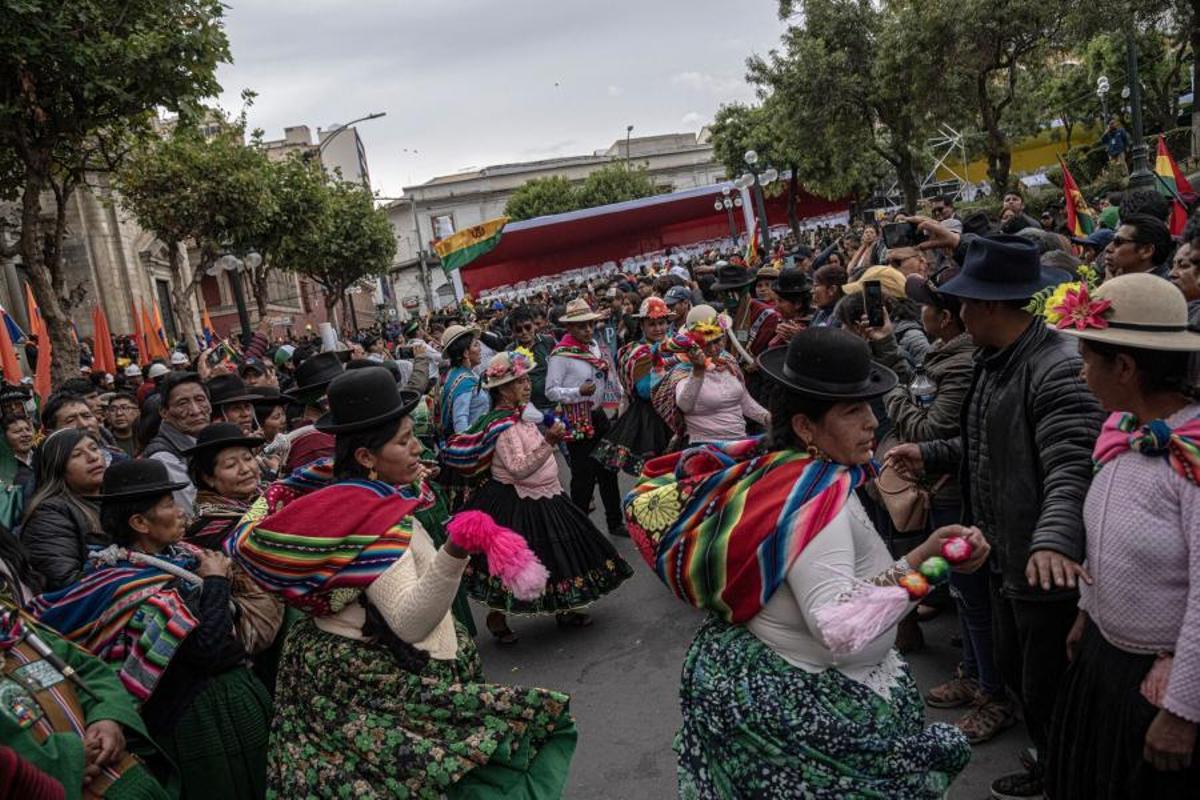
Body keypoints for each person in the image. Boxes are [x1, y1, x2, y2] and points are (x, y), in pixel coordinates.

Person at [624, 327, 988, 798]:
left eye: (869, 406)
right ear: (805, 427)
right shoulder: (816, 505)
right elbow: (841, 627)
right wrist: (935, 565)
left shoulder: (785, 472)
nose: (872, 422)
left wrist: (926, 554)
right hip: (816, 704)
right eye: (853, 410)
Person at [228, 367, 578, 797]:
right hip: (379, 678)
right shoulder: (372, 520)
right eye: (403, 441)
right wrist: (457, 548)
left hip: (329, 671)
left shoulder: (332, 493)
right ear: (366, 458)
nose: (417, 448)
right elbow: (409, 622)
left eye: (414, 435)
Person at [887, 234, 1105, 799]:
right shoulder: (996, 361)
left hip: (1044, 571)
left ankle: (1064, 775)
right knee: (1020, 675)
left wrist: (1053, 542)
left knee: (1048, 689)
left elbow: (1069, 469)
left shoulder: (1053, 367)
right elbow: (984, 442)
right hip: (1009, 557)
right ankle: (1049, 760)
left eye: (962, 301)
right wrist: (931, 452)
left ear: (987, 305)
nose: (955, 311)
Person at [1043, 273, 1200, 799]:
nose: (1082, 374)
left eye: (1088, 359)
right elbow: (1104, 536)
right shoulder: (1123, 436)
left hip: (1164, 678)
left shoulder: (1190, 460)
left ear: (1126, 368)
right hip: (1104, 661)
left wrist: (1183, 709)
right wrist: (1087, 612)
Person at [32, 459, 273, 800]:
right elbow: (211, 650)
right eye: (167, 505)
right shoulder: (133, 586)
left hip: (230, 714)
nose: (179, 512)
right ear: (140, 522)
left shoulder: (185, 558)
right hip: (200, 728)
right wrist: (217, 584)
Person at [871, 273, 1016, 741]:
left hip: (954, 495)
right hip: (940, 489)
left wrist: (892, 394)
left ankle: (992, 690)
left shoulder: (961, 364)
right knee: (958, 590)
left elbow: (929, 430)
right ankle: (973, 672)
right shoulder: (945, 356)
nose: (920, 314)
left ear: (947, 317)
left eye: (927, 307)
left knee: (971, 597)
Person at [463, 352, 633, 642]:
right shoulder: (501, 426)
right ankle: (497, 617)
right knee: (516, 564)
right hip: (516, 500)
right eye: (520, 381)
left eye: (528, 379)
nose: (528, 385)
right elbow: (518, 469)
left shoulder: (524, 413)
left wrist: (553, 432)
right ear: (503, 389)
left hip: (548, 492)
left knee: (559, 554)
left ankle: (564, 608)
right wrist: (549, 442)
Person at [0, 594, 173, 799]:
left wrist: (108, 716)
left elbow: (89, 670)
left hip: (129, 782)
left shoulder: (14, 628)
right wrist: (66, 761)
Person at [545, 298, 625, 536]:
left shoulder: (595, 346)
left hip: (599, 415)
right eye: (581, 326)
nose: (587, 329)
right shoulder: (561, 354)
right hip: (577, 417)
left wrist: (618, 397)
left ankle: (615, 521)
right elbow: (551, 391)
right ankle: (579, 530)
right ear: (569, 328)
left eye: (589, 324)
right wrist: (577, 392)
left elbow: (608, 373)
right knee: (583, 477)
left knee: (609, 471)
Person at [592, 297, 675, 476]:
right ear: (642, 325)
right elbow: (645, 391)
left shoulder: (675, 346)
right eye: (652, 324)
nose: (659, 328)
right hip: (651, 419)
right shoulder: (639, 353)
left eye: (662, 323)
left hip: (675, 413)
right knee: (657, 475)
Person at [666, 305, 768, 446]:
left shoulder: (729, 362)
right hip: (703, 446)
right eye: (706, 344)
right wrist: (698, 370)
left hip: (740, 442)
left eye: (717, 341)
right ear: (693, 344)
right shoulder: (683, 369)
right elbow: (684, 405)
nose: (713, 349)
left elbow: (745, 402)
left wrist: (770, 419)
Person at [20, 429, 107, 591]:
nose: (93, 457)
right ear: (57, 467)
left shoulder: (115, 498)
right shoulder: (48, 515)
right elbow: (64, 583)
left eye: (94, 448)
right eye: (77, 455)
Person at [184, 422, 265, 550]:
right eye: (231, 465)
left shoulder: (270, 495)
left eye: (248, 458)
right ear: (209, 478)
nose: (245, 469)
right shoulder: (211, 530)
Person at [142, 372, 211, 515]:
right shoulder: (163, 458)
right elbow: (196, 513)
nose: (196, 410)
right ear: (164, 412)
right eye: (182, 403)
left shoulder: (205, 442)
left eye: (200, 399)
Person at [709, 262, 779, 400]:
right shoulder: (724, 316)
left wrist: (756, 362)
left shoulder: (767, 316)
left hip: (757, 385)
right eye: (723, 292)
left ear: (744, 290)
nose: (725, 297)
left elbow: (771, 355)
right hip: (730, 381)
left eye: (731, 292)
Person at [437, 324, 490, 439]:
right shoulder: (464, 382)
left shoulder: (456, 373)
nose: (480, 349)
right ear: (465, 353)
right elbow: (460, 424)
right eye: (476, 345)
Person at [507, 306, 557, 411]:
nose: (524, 332)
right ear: (513, 332)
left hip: (555, 403)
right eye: (519, 329)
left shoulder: (548, 342)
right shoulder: (511, 351)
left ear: (534, 325)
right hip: (529, 409)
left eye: (527, 327)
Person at [1104, 214, 1174, 280]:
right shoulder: (1120, 276)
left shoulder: (1164, 288)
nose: (1108, 248)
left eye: (1118, 241)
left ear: (1147, 251)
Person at [0, 414, 35, 530]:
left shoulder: (44, 456)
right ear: (4, 437)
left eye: (28, 430)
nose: (25, 434)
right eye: (17, 432)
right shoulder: (4, 469)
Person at [768, 268, 812, 346]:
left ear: (797, 304)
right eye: (776, 301)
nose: (776, 307)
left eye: (780, 301)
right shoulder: (784, 325)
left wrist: (799, 339)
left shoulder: (811, 330)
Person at [105, 391, 140, 457]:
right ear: (108, 415)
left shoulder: (146, 439)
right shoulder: (104, 442)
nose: (119, 413)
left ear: (137, 412)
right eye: (113, 409)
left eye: (124, 408)